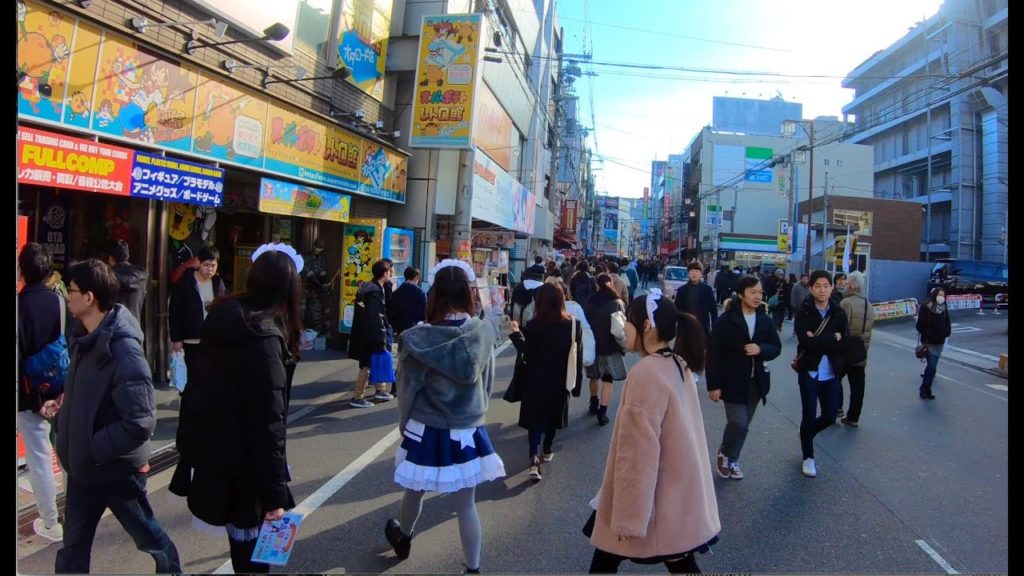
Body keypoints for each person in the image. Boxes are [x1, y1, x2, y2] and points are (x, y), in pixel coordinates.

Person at [169, 245, 302, 574]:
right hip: (248, 471)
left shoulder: (223, 318)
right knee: (255, 562)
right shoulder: (264, 337)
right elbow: (269, 424)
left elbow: (197, 393)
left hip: (218, 461)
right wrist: (274, 496)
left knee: (243, 555)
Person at [55, 259, 181, 573]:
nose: (66, 296)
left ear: (89, 297)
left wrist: (93, 446)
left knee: (149, 538)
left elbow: (140, 420)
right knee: (72, 549)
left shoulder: (123, 350)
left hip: (115, 471)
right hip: (84, 470)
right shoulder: (83, 338)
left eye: (71, 290)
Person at [385, 260, 506, 574]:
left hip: (427, 426)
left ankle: (404, 537)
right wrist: (476, 414)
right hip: (467, 428)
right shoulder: (482, 332)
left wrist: (405, 427)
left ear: (435, 294)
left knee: (415, 489)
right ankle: (473, 568)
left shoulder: (418, 339)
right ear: (467, 294)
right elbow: (487, 383)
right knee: (466, 504)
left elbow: (407, 392)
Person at [587, 294, 719, 574]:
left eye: (628, 320)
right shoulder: (677, 364)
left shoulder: (645, 373)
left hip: (650, 496)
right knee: (677, 560)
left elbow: (637, 452)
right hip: (676, 490)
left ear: (646, 325)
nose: (624, 328)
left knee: (608, 558)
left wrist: (629, 516)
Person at [705, 275, 781, 480]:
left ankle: (733, 458)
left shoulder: (764, 319)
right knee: (738, 422)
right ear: (740, 294)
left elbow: (776, 347)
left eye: (760, 292)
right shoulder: (726, 321)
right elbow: (713, 354)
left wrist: (761, 349)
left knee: (744, 425)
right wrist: (714, 385)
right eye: (752, 292)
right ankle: (724, 453)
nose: (758, 296)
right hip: (732, 382)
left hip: (756, 383)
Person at [509, 283, 585, 481]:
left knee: (535, 420)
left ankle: (534, 457)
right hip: (561, 380)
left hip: (535, 379)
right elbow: (577, 357)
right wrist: (576, 385)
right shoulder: (573, 325)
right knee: (553, 416)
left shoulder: (534, 325)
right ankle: (548, 448)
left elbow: (527, 353)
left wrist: (516, 333)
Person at [18, 243, 65, 543]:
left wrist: (33, 399)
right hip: (58, 390)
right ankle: (73, 515)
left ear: (21, 270)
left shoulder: (20, 305)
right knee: (62, 452)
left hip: (29, 395)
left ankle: (50, 522)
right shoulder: (59, 301)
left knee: (38, 457)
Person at [793, 270, 849, 478]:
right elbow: (805, 342)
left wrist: (821, 339)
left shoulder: (838, 312)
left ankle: (806, 434)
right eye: (817, 286)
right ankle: (808, 457)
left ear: (832, 287)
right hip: (809, 370)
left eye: (826, 285)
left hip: (831, 372)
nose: (822, 290)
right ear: (811, 288)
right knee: (808, 414)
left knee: (829, 415)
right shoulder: (804, 311)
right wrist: (832, 338)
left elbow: (844, 341)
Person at [169, 246, 226, 387]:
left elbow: (223, 311)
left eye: (213, 265)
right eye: (206, 265)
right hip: (190, 339)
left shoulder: (218, 283)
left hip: (212, 340)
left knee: (209, 380)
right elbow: (174, 312)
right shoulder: (185, 283)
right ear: (198, 263)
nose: (210, 269)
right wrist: (176, 339)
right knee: (190, 381)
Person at [348, 260, 395, 407]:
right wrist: (381, 334)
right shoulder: (374, 291)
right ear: (385, 273)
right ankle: (358, 397)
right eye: (389, 271)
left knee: (373, 361)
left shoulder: (370, 288)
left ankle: (380, 390)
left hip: (365, 332)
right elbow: (376, 316)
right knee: (366, 365)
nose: (391, 273)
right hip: (370, 334)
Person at [583, 274, 628, 426]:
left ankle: (593, 402)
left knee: (593, 376)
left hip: (593, 346)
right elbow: (621, 326)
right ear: (610, 284)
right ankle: (602, 413)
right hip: (611, 346)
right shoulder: (617, 303)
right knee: (608, 380)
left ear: (597, 285)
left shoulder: (590, 301)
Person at [838, 271, 874, 425]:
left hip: (845, 350)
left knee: (834, 378)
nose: (845, 285)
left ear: (852, 284)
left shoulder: (846, 302)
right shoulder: (868, 305)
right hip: (861, 351)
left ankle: (837, 407)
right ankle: (853, 417)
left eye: (847, 282)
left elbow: (839, 326)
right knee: (858, 387)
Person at [547, 276, 596, 371]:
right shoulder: (575, 307)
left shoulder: (545, 309)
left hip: (551, 359)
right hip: (573, 356)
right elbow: (585, 329)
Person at [916, 288, 952, 400]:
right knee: (931, 367)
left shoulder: (944, 307)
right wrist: (929, 334)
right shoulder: (926, 307)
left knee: (933, 366)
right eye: (939, 295)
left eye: (943, 296)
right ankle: (925, 389)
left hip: (940, 342)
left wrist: (947, 332)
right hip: (928, 342)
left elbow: (947, 322)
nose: (941, 298)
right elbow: (919, 326)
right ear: (934, 295)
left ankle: (926, 389)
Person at [106, 239, 148, 325]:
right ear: (127, 256)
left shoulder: (108, 277)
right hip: (134, 326)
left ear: (111, 258)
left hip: (114, 328)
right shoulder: (141, 276)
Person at [673, 261, 718, 336]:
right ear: (688, 274)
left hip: (702, 329)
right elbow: (676, 310)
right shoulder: (682, 290)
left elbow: (714, 311)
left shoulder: (707, 290)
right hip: (685, 329)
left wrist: (714, 329)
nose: (694, 274)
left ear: (701, 274)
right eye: (692, 271)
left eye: (697, 271)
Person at [388, 267, 427, 337]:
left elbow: (391, 312)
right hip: (414, 329)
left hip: (399, 330)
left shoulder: (396, 292)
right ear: (416, 277)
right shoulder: (420, 293)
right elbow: (424, 314)